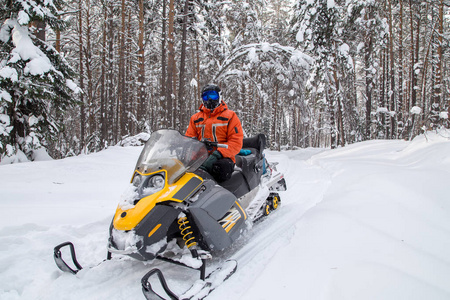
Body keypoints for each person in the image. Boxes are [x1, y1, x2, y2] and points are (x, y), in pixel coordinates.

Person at [185, 84, 243, 182]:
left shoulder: (230, 116)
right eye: (206, 96)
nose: (209, 99)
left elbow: (236, 142)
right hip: (201, 156)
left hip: (223, 157)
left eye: (213, 96)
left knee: (220, 169)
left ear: (219, 97)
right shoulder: (196, 118)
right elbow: (188, 139)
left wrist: (218, 153)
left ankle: (221, 195)